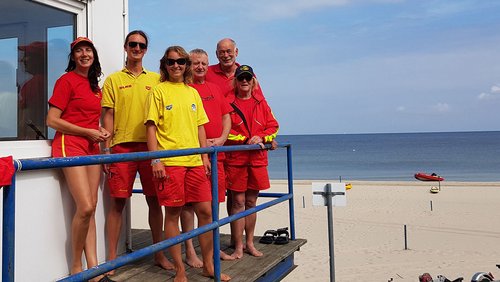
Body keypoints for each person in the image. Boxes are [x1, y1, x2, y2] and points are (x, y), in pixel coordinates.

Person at [144, 46, 230, 282]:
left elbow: (200, 126)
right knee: (172, 214)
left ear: (186, 65)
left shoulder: (192, 92)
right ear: (165, 64)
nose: (176, 66)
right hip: (170, 163)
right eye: (171, 62)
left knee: (206, 211)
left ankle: (209, 266)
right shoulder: (158, 91)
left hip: (195, 161)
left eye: (181, 61)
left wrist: (204, 157)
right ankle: (180, 269)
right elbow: (150, 127)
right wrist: (156, 159)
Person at [101, 30, 174, 275]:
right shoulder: (112, 80)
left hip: (150, 149)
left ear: (146, 49)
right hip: (122, 148)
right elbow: (108, 116)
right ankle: (111, 258)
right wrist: (106, 150)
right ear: (125, 46)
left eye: (141, 45)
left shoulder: (155, 80)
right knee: (118, 203)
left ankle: (159, 254)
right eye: (133, 44)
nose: (137, 48)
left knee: (155, 201)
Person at [46, 37, 112, 282]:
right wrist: (87, 132)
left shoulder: (96, 87)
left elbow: (88, 120)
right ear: (73, 57)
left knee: (91, 208)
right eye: (79, 51)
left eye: (88, 50)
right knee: (84, 207)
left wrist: (99, 132)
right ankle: (76, 266)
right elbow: (52, 120)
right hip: (69, 144)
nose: (84, 54)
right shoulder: (66, 81)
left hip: (92, 147)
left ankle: (94, 269)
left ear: (94, 55)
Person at [180, 48, 233, 267]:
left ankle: (212, 249)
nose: (200, 67)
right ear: (188, 65)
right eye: (195, 63)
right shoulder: (184, 89)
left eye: (203, 63)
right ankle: (190, 250)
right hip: (193, 155)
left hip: (215, 154)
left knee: (213, 205)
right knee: (189, 205)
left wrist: (221, 138)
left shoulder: (214, 88)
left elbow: (226, 116)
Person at [224, 65, 279, 259]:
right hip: (236, 160)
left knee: (251, 202)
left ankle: (249, 243)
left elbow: (274, 126)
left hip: (256, 160)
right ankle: (238, 246)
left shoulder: (261, 103)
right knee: (237, 202)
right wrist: (244, 140)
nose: (244, 81)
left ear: (253, 81)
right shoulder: (228, 103)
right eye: (241, 78)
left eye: (248, 78)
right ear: (236, 81)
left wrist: (262, 138)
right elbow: (225, 131)